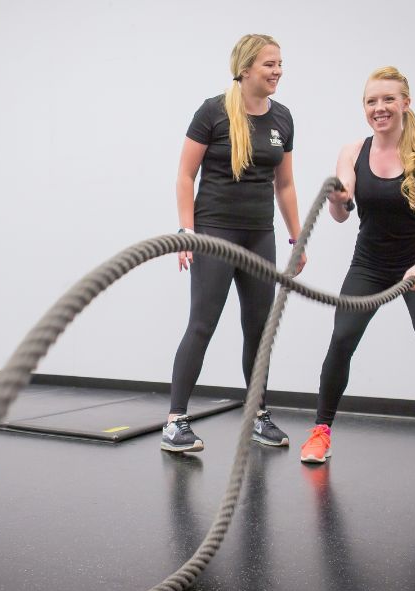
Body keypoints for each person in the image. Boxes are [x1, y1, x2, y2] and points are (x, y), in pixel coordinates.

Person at [300, 66, 415, 477]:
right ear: (365, 108)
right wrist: (338, 199)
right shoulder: (352, 151)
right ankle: (321, 430)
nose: (380, 108)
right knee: (341, 339)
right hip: (370, 264)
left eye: (388, 99)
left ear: (405, 103)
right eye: (371, 101)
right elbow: (343, 215)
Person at [161, 34, 304, 453]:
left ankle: (258, 415)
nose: (278, 71)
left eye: (280, 64)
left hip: (260, 234)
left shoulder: (282, 119)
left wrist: (297, 236)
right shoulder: (212, 112)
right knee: (202, 323)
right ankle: (175, 422)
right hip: (215, 232)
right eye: (269, 64)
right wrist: (186, 231)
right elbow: (185, 175)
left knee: (259, 331)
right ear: (245, 69)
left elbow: (287, 184)